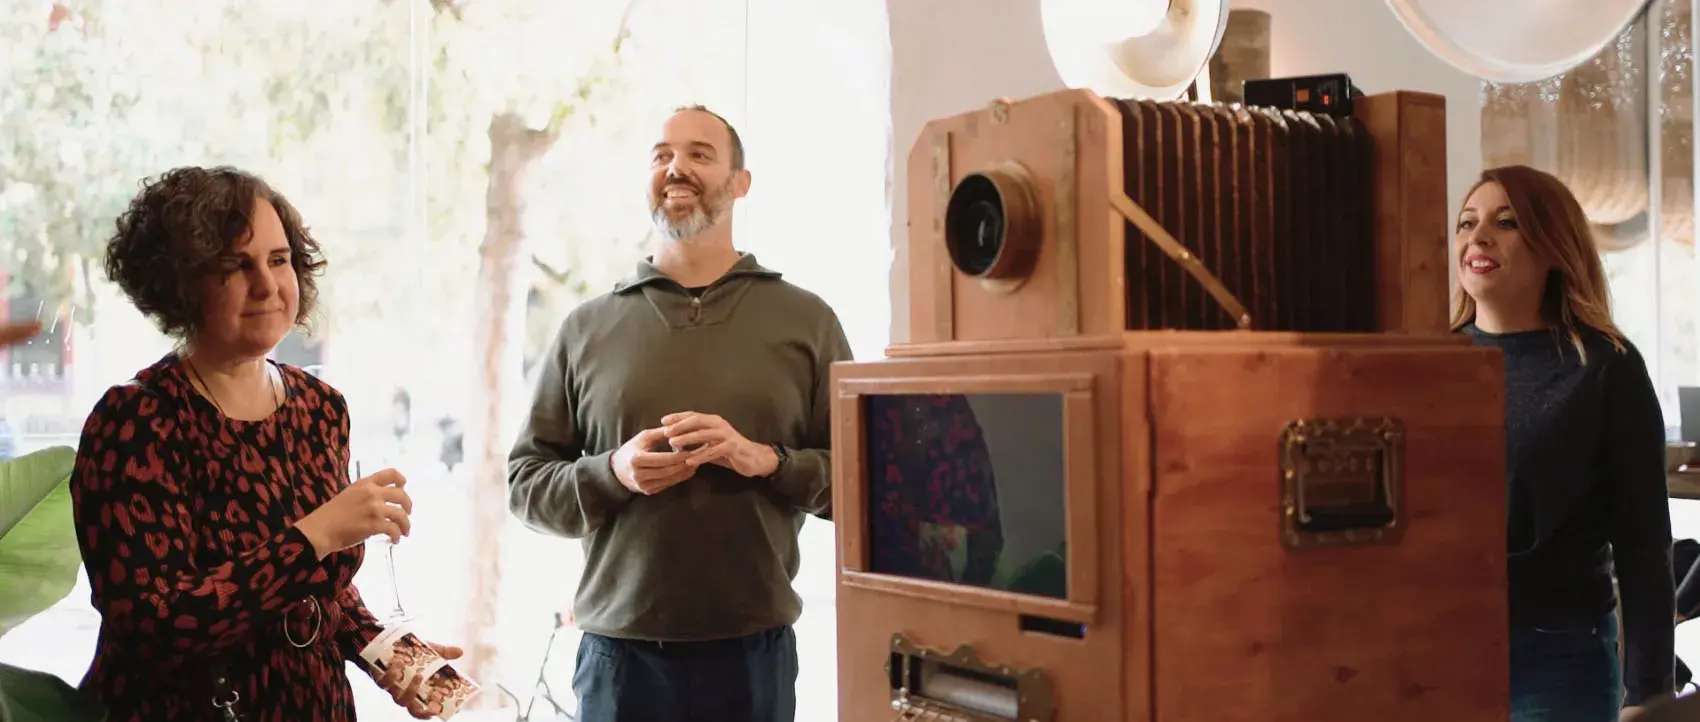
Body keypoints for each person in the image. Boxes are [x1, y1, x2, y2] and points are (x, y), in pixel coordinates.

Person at [69, 166, 461, 721]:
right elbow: (154, 624)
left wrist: (395, 658)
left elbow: (318, 590)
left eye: (279, 260)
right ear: (181, 282)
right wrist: (316, 532)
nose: (268, 285)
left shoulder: (319, 407)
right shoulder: (136, 421)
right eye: (236, 265)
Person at [507, 105, 853, 721]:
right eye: (662, 154)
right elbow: (526, 486)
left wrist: (764, 460)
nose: (676, 168)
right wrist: (613, 471)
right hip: (618, 664)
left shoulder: (808, 322)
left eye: (699, 154)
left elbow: (862, 483)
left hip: (754, 660)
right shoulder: (586, 328)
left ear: (740, 182)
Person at [1451, 165, 1675, 722]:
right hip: (1439, 645)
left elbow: (1644, 540)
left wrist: (1649, 689)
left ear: (1554, 246)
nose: (1477, 237)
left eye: (1505, 223)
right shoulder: (1430, 362)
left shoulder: (1604, 368)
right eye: (1465, 223)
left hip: (1558, 655)